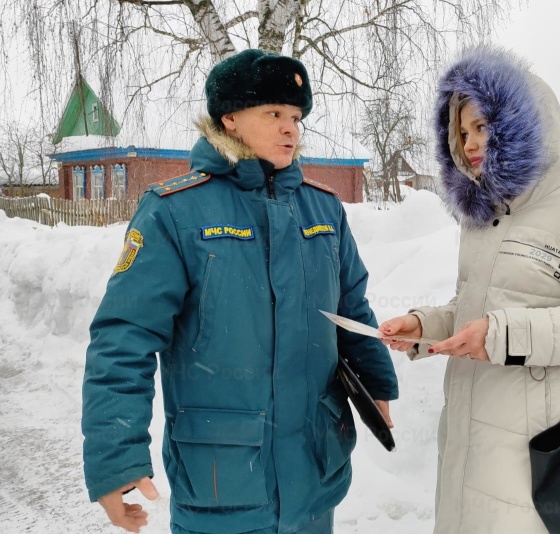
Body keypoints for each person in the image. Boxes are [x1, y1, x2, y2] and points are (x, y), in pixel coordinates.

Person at [82, 49, 399, 534]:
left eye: (296, 116)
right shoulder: (173, 212)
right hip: (223, 484)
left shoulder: (323, 211)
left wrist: (376, 384)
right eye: (274, 113)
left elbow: (351, 307)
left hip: (315, 477)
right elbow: (123, 338)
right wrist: (115, 458)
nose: (291, 128)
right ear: (229, 118)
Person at [379, 45, 560, 534]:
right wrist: (424, 326)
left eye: (482, 126)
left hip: (538, 449)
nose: (471, 142)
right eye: (461, 131)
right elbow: (478, 308)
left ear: (523, 121)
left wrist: (504, 336)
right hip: (465, 442)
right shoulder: (482, 215)